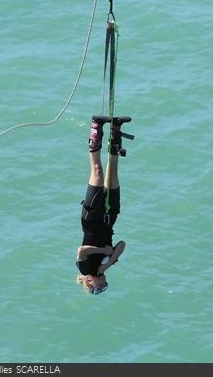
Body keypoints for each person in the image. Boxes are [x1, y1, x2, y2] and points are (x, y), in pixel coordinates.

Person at [75, 115, 132, 295]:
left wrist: (101, 250)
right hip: (109, 216)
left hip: (91, 218)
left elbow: (82, 251)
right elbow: (122, 244)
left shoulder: (85, 269)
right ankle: (115, 129)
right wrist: (110, 260)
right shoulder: (105, 265)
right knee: (113, 172)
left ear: (91, 282)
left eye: (101, 286)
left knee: (98, 172)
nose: (104, 283)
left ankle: (96, 125)